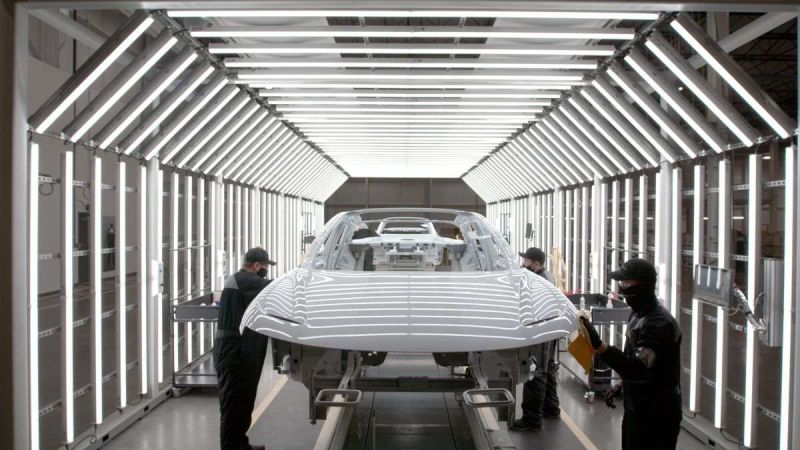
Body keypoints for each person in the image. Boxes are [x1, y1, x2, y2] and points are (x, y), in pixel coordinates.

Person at [579, 258, 682, 450]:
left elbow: (637, 367)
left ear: (643, 285)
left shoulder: (659, 325)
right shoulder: (637, 314)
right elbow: (632, 354)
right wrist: (620, 383)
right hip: (637, 406)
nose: (622, 287)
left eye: (626, 283)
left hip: (658, 413)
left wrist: (601, 347)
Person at [215, 247, 276, 450]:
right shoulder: (244, 280)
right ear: (257, 266)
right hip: (234, 354)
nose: (265, 271)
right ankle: (232, 447)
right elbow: (275, 289)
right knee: (233, 406)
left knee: (243, 403)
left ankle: (241, 444)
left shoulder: (240, 281)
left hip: (240, 352)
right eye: (265, 267)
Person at [512, 247, 560, 430]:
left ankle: (531, 420)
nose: (523, 264)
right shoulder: (548, 276)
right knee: (548, 368)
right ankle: (551, 408)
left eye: (526, 261)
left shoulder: (539, 280)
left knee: (535, 372)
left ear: (537, 264)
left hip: (542, 331)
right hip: (551, 330)